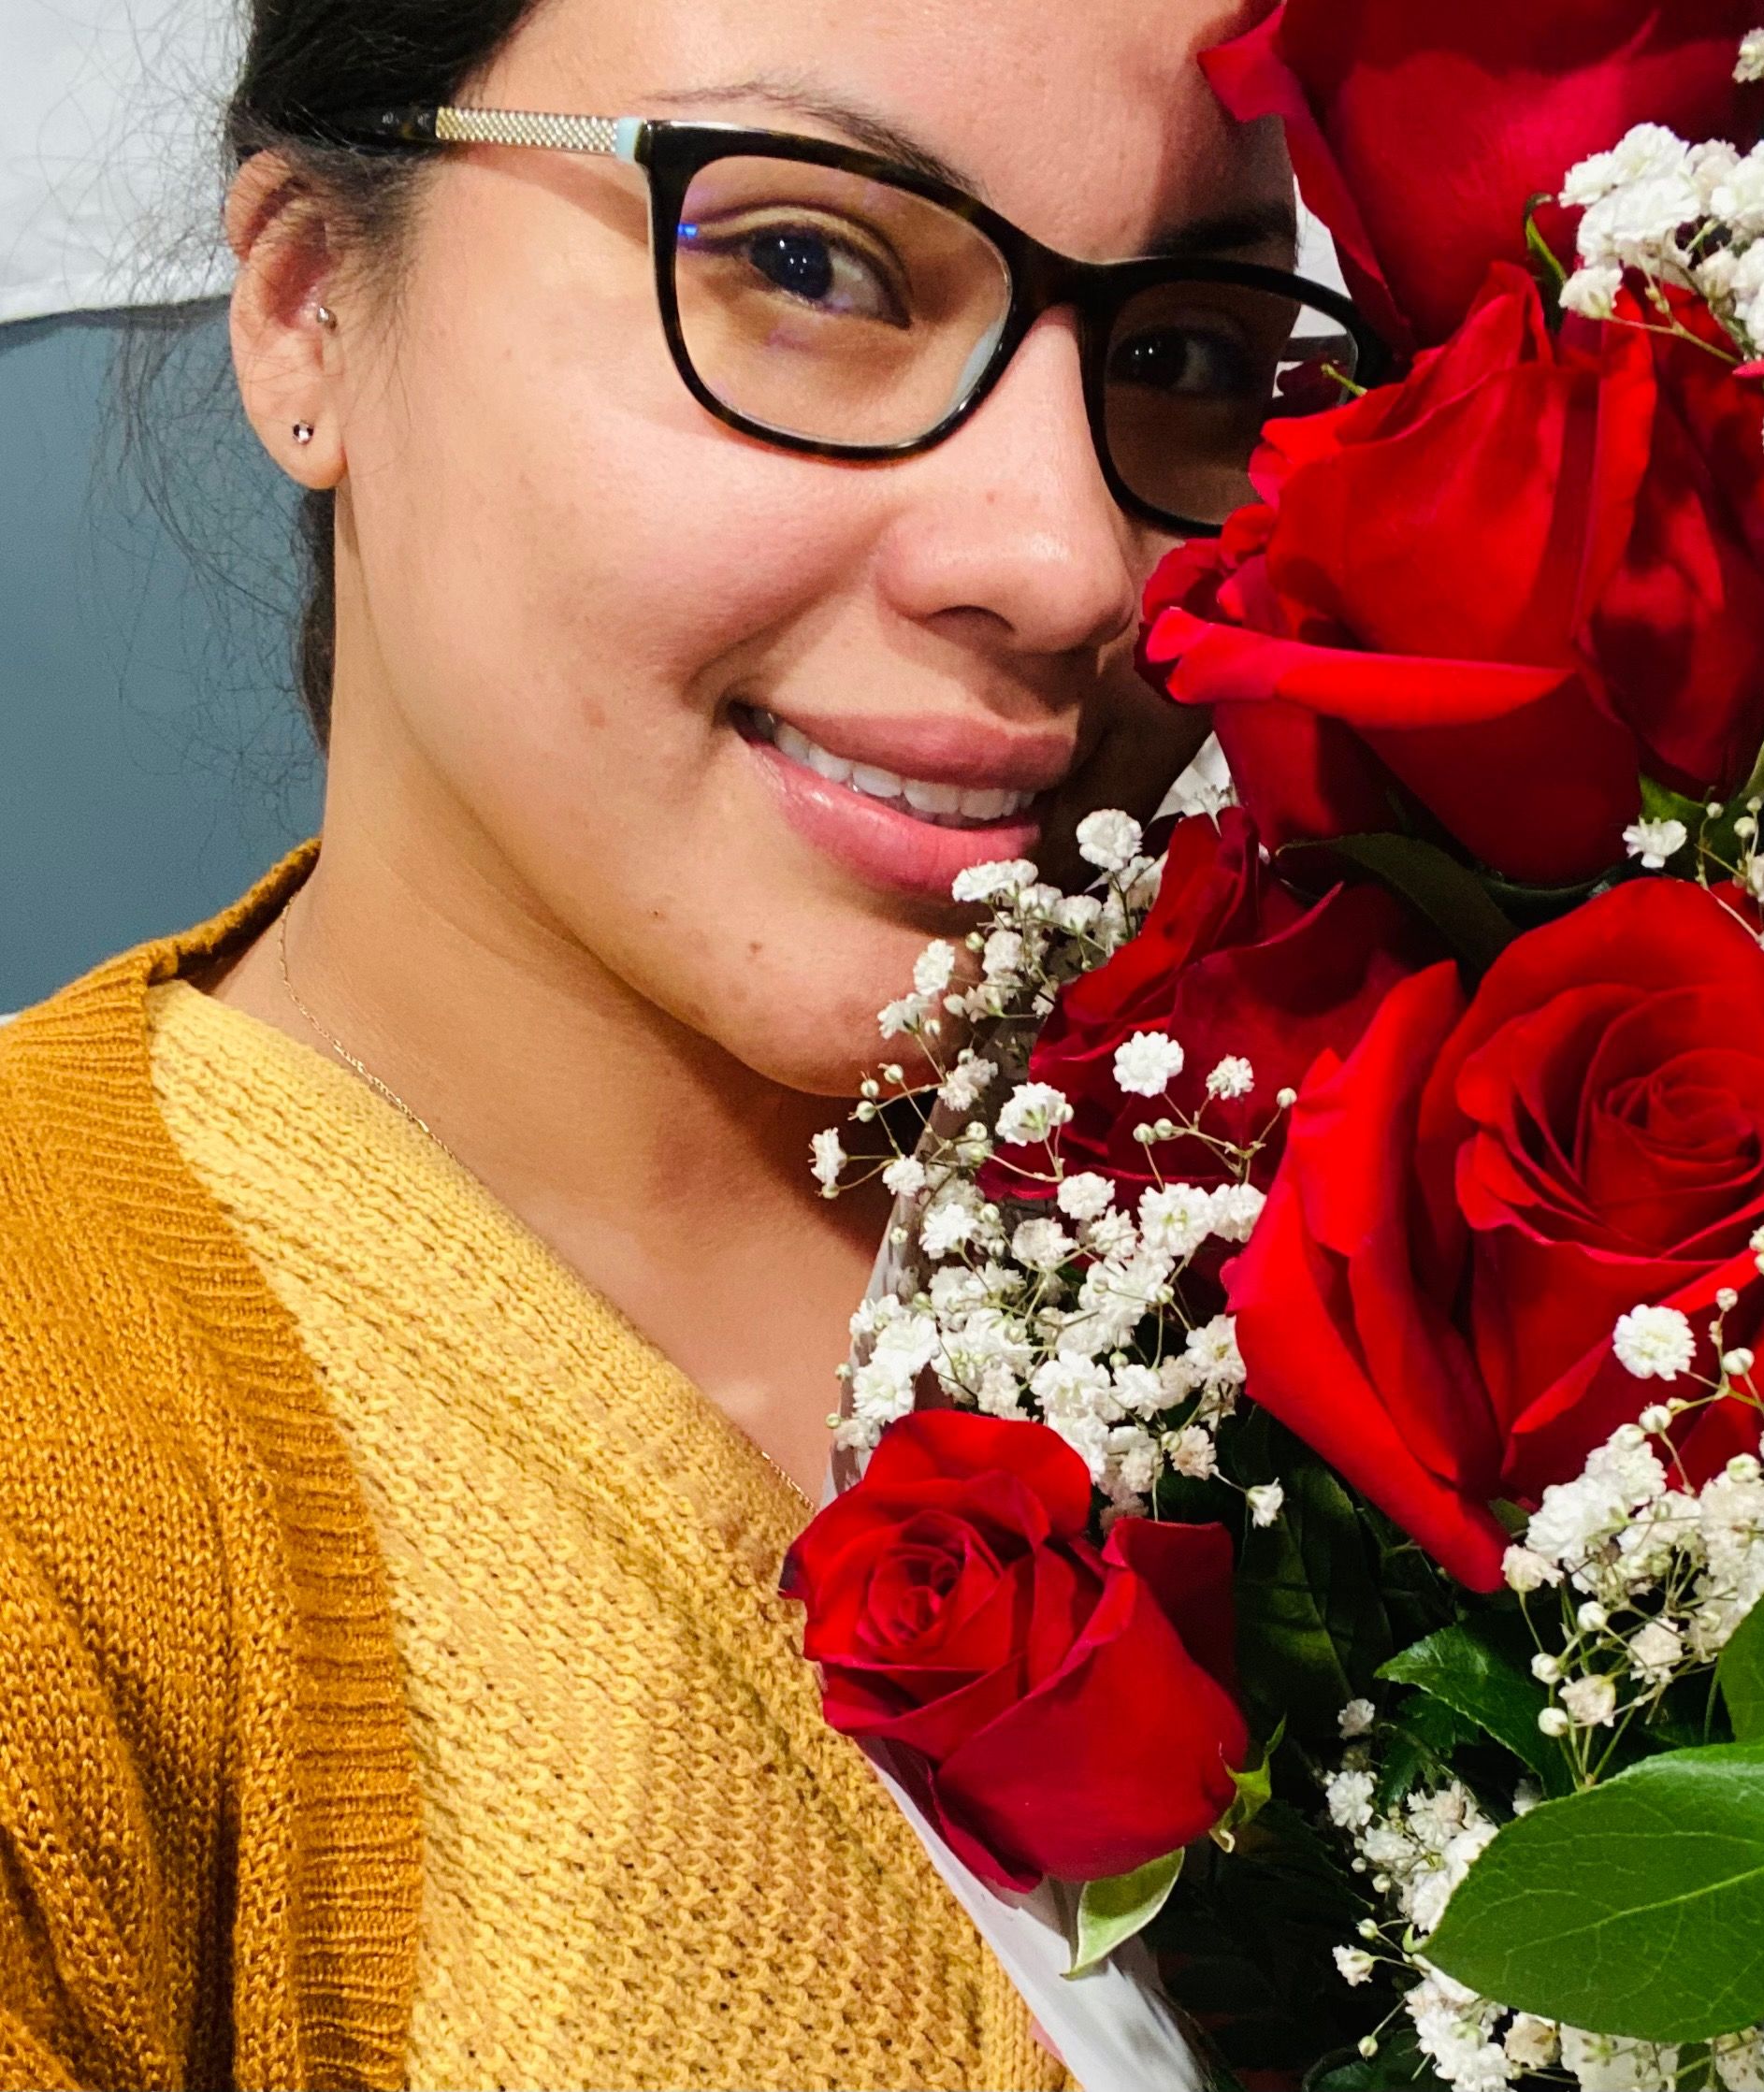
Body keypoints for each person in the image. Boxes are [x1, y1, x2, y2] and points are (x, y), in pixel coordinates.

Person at [0, 0, 1375, 2082]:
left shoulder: (1414, 1194)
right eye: (808, 265)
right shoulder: (65, 1452)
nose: (1061, 563)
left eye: (1181, 352)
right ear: (303, 309)